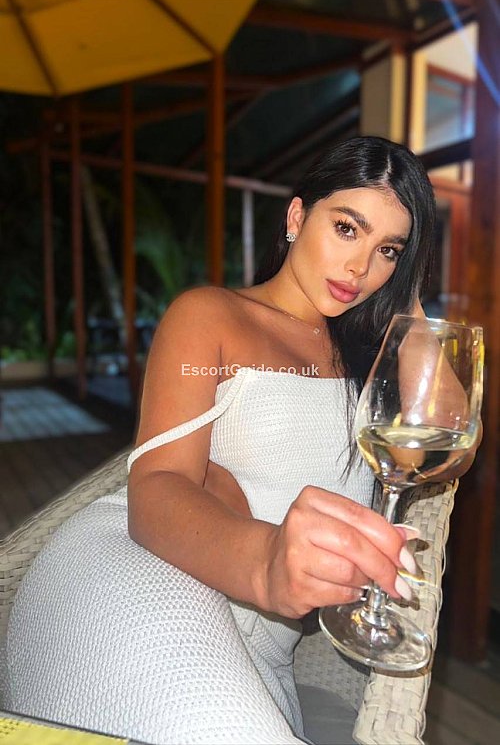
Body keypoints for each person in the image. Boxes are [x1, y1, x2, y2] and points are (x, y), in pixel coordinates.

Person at [6, 137, 479, 745]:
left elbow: (448, 441)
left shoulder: (372, 359)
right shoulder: (211, 315)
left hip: (258, 641)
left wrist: (405, 299)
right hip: (139, 571)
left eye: (387, 249)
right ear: (296, 216)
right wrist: (264, 561)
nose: (360, 268)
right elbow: (157, 486)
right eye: (346, 228)